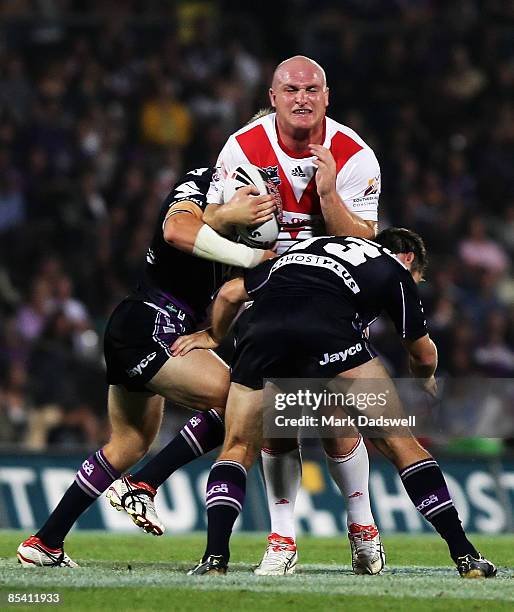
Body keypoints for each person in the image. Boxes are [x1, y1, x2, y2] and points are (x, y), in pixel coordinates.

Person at [118, 55, 385, 576]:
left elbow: (365, 241)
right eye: (291, 90)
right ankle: (282, 540)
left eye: (312, 89)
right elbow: (205, 227)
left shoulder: (355, 156)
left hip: (334, 291)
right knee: (271, 418)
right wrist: (235, 242)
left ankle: (362, 527)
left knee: (335, 418)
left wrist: (327, 194)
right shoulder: (241, 148)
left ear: (327, 97)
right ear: (273, 95)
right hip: (264, 295)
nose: (302, 98)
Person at [173, 228, 496, 579]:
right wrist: (426, 378)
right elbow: (421, 351)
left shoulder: (305, 247)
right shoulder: (393, 268)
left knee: (237, 445)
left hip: (262, 333)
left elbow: (230, 293)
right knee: (400, 442)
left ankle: (215, 559)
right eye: (416, 277)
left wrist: (213, 336)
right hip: (328, 333)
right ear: (408, 260)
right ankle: (465, 555)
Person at [16, 167, 276, 566]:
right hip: (153, 323)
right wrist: (241, 241)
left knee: (129, 443)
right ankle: (144, 484)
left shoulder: (258, 199)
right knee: (242, 401)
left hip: (143, 324)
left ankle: (45, 543)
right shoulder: (206, 182)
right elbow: (175, 230)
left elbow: (231, 292)